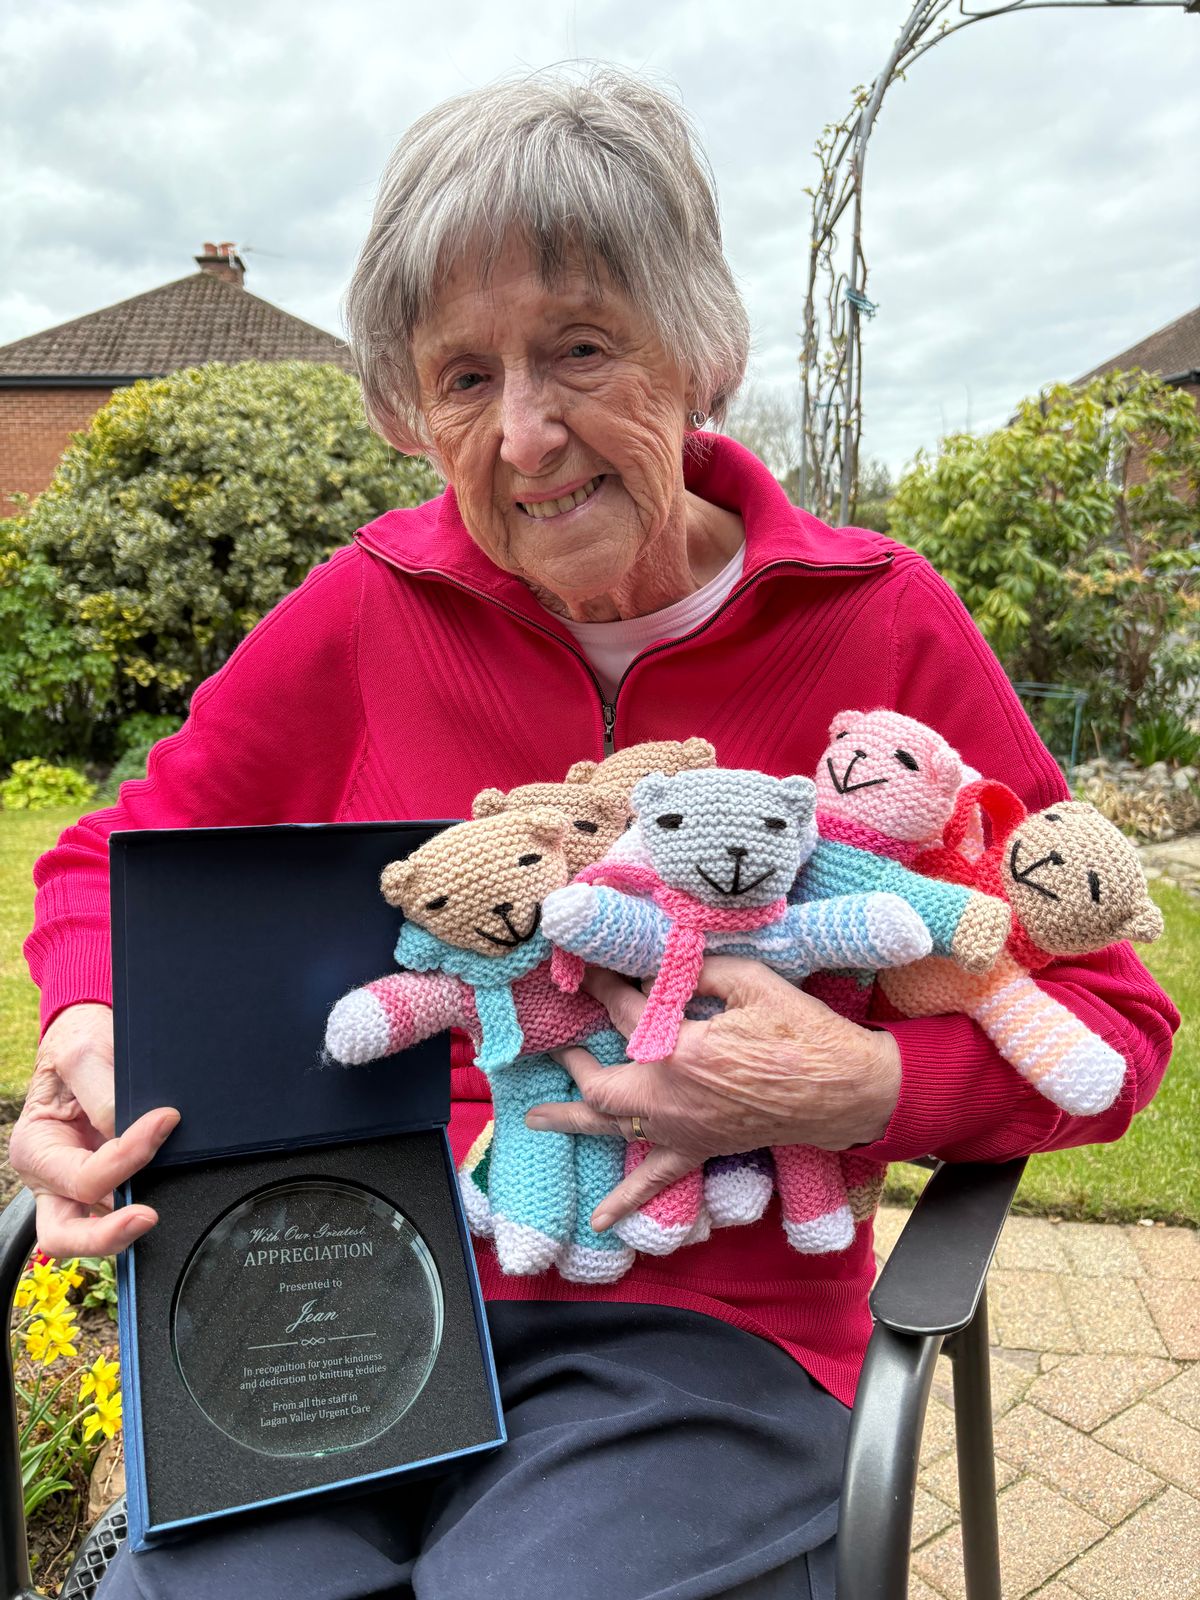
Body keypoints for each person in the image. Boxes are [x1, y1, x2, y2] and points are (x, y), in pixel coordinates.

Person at [11, 68, 1176, 1600]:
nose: (528, 435)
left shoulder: (883, 623)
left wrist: (866, 1084)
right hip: (365, 1280)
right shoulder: (371, 600)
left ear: (701, 352)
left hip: (711, 1325)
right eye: (464, 378)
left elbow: (1108, 1009)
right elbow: (116, 856)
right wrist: (89, 1031)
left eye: (578, 349)